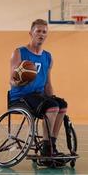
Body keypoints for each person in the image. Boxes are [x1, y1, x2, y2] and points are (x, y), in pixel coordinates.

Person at [9, 19, 67, 157]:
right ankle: (47, 149)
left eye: (44, 32)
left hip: (39, 96)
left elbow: (47, 83)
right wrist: (21, 80)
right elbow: (12, 80)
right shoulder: (19, 52)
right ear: (31, 33)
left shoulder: (48, 57)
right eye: (38, 31)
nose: (41, 34)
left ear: (47, 35)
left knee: (61, 104)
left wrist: (52, 97)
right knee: (52, 106)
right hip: (21, 97)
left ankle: (51, 144)